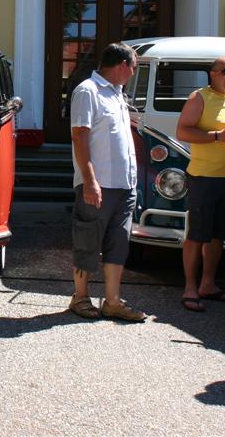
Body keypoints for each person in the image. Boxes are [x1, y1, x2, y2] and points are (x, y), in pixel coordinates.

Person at [67, 42, 147, 322]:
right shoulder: (88, 91)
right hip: (98, 183)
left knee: (118, 242)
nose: (133, 73)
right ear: (123, 65)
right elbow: (79, 136)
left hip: (124, 184)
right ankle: (80, 297)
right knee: (88, 239)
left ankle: (112, 301)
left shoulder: (117, 95)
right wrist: (89, 181)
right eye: (134, 68)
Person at [175, 56, 225, 313]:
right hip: (204, 177)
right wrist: (217, 136)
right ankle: (190, 288)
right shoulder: (199, 98)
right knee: (197, 235)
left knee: (218, 236)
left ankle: (208, 285)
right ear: (212, 74)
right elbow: (183, 132)